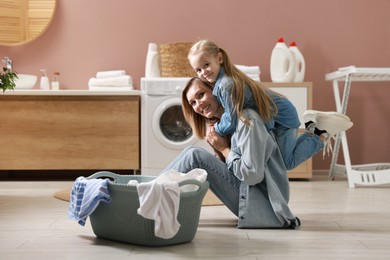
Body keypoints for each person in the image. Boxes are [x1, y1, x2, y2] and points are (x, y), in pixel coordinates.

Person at [187, 39, 353, 169]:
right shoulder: (223, 82)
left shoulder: (226, 85)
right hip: (276, 115)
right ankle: (314, 130)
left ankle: (318, 132)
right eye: (198, 70)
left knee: (286, 162)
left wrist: (215, 130)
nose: (203, 72)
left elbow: (230, 120)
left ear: (220, 58)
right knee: (281, 159)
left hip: (282, 118)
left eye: (206, 65)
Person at [163, 77, 300, 228]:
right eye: (193, 103)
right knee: (192, 156)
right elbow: (231, 172)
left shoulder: (246, 119)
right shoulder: (225, 126)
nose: (198, 104)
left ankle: (148, 193)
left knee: (194, 155)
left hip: (263, 204)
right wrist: (219, 151)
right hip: (250, 197)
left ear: (216, 91)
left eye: (201, 95)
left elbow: (252, 175)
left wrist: (224, 149)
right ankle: (153, 194)